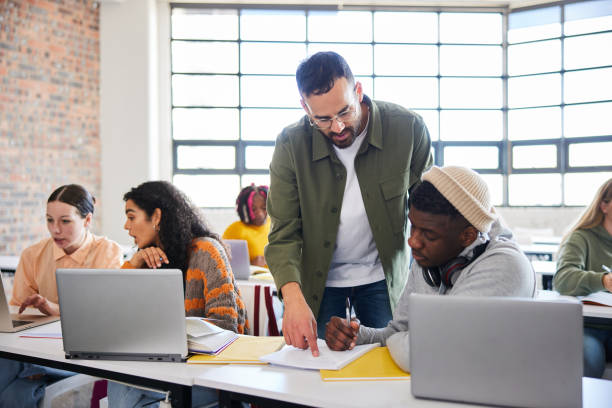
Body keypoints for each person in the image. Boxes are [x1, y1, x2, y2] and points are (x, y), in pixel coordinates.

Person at [265, 51, 433, 356]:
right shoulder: (291, 145)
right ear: (305, 108)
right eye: (324, 119)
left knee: (386, 359)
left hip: (382, 276)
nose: (339, 127)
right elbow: (283, 232)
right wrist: (291, 298)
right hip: (317, 278)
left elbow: (430, 213)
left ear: (358, 91)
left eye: (345, 112)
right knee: (314, 366)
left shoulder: (408, 129)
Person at [324, 166, 536, 372]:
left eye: (429, 234)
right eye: (413, 226)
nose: (413, 242)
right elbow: (398, 332)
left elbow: (423, 353)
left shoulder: (505, 267)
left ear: (468, 236)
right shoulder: (430, 258)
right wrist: (357, 335)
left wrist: (409, 338)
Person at [108, 181, 248, 408]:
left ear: (156, 217)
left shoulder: (206, 250)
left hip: (211, 374)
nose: (126, 226)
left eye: (131, 217)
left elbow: (226, 327)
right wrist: (134, 263)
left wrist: (167, 338)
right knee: (120, 382)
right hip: (165, 369)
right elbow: (114, 316)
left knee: (125, 389)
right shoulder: (145, 259)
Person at [0, 184, 122, 408]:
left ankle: (32, 369)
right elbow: (18, 313)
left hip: (82, 349)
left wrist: (54, 309)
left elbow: (102, 315)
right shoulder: (32, 255)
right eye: (49, 220)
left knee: (10, 375)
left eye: (65, 221)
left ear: (87, 220)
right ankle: (32, 368)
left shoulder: (108, 252)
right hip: (36, 349)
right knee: (14, 385)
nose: (55, 229)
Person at [553, 178, 612, 378]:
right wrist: (604, 280)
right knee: (585, 361)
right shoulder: (581, 237)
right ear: (604, 205)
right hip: (589, 327)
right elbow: (563, 279)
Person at [223, 184, 270, 267]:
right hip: (249, 279)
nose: (260, 214)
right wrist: (250, 265)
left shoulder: (275, 225)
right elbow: (223, 261)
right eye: (253, 209)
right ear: (244, 209)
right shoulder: (235, 229)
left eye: (264, 208)